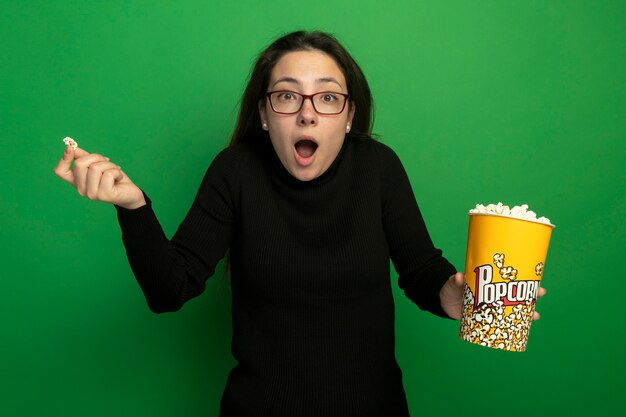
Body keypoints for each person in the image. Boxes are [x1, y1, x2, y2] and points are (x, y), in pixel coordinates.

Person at [54, 30, 544, 417]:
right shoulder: (236, 170)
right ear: (266, 115)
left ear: (349, 115)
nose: (307, 114)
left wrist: (456, 298)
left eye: (327, 98)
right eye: (287, 97)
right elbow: (170, 290)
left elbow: (420, 269)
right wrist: (133, 207)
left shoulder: (378, 168)